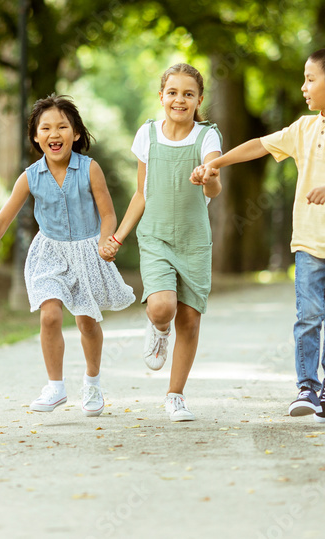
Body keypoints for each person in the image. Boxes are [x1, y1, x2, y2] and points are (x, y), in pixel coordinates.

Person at [191, 47, 325, 424]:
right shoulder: (302, 128)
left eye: (311, 80)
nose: (303, 87)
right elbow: (260, 144)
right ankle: (307, 386)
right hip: (309, 239)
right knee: (308, 315)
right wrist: (216, 162)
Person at [0, 94, 134, 417]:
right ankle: (55, 386)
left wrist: (108, 240)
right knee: (49, 315)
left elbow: (108, 214)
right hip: (49, 253)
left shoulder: (90, 170)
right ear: (36, 137)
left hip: (87, 251)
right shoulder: (30, 177)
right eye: (46, 128)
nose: (55, 133)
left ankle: (92, 384)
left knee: (87, 323)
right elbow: (2, 220)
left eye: (62, 127)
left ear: (76, 134)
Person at [100, 63, 222, 422]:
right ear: (161, 96)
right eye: (172, 92)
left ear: (199, 99)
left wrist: (208, 176)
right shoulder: (148, 134)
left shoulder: (207, 137)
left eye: (188, 94)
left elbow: (215, 186)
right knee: (162, 307)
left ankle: (175, 396)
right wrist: (118, 237)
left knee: (191, 321)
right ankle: (157, 328)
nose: (179, 100)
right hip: (155, 237)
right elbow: (141, 193)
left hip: (195, 241)